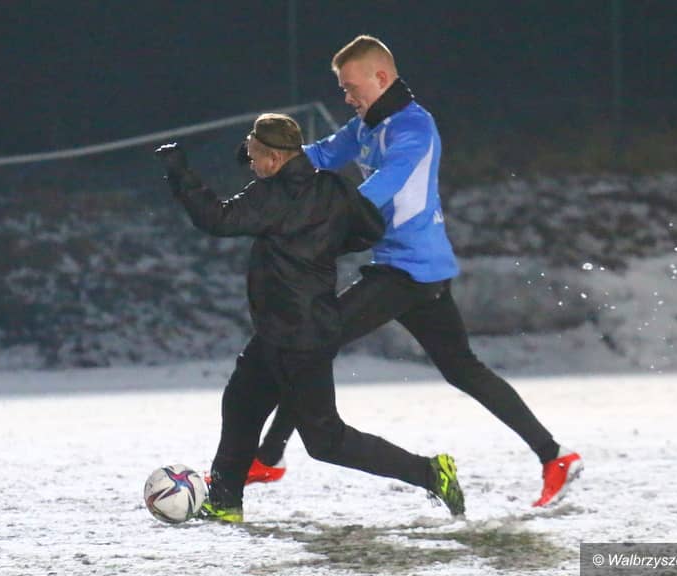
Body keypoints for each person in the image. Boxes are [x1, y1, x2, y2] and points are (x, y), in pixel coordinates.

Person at [247, 35, 583, 508]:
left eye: (350, 87)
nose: (346, 96)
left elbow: (382, 187)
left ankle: (268, 457)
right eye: (342, 88)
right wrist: (269, 157)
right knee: (462, 370)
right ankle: (555, 456)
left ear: (381, 78)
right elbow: (319, 155)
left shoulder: (414, 127)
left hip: (406, 273)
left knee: (311, 340)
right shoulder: (366, 126)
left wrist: (326, 219)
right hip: (415, 271)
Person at [154, 113, 466, 523]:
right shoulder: (333, 187)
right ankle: (226, 500)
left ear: (273, 158)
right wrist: (325, 243)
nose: (250, 163)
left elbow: (217, 218)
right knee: (242, 402)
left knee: (326, 441)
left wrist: (180, 174)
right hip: (289, 328)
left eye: (254, 156)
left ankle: (430, 473)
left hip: (298, 337)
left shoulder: (273, 195)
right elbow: (369, 229)